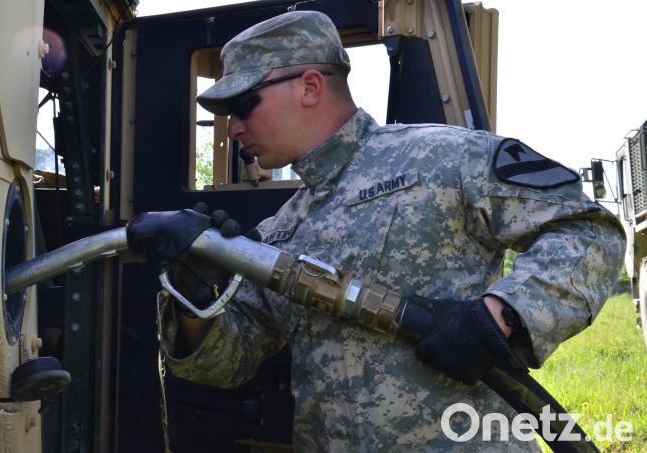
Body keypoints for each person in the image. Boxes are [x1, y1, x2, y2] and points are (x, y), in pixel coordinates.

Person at [126, 10, 625, 451]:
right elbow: (225, 362)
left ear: (309, 87)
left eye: (243, 105)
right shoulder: (279, 230)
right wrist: (196, 294)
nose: (232, 128)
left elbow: (588, 230)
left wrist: (499, 318)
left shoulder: (443, 157)